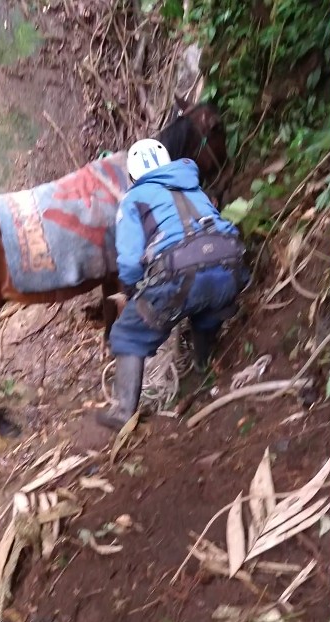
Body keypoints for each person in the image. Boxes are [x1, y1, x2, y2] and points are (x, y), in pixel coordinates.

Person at [97, 139, 248, 430]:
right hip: (230, 266)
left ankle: (122, 413)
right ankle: (203, 365)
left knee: (128, 333)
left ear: (132, 176)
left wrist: (132, 292)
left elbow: (128, 263)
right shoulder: (194, 187)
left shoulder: (133, 199)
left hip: (177, 275)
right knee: (208, 308)